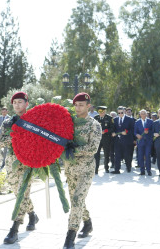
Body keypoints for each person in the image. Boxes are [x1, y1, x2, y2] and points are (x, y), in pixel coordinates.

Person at [0, 92, 39, 244]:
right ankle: (32, 214)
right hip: (12, 161)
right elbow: (0, 141)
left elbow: (40, 140)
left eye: (20, 102)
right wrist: (16, 135)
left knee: (22, 192)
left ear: (27, 103)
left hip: (28, 162)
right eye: (14, 102)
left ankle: (14, 229)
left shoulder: (34, 121)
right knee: (17, 191)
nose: (17, 105)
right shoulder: (8, 121)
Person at [63, 92, 102, 249]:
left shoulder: (94, 125)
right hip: (70, 168)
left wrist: (74, 149)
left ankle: (70, 237)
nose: (78, 108)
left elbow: (93, 148)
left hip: (86, 169)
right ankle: (87, 222)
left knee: (78, 199)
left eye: (81, 105)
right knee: (76, 201)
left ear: (88, 106)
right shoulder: (69, 122)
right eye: (76, 105)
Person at [111, 106, 135, 174]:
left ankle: (128, 167)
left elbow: (132, 129)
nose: (120, 114)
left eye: (122, 112)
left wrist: (127, 132)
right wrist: (113, 133)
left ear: (124, 112)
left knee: (127, 155)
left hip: (127, 140)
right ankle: (117, 169)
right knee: (117, 155)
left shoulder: (129, 119)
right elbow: (113, 128)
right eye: (119, 113)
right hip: (117, 140)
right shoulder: (115, 119)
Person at [94, 106, 113, 174]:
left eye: (102, 112)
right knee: (96, 154)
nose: (101, 113)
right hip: (98, 139)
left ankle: (106, 167)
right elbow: (93, 127)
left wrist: (106, 130)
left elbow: (112, 128)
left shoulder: (109, 118)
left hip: (106, 138)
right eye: (100, 112)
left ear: (105, 112)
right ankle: (96, 169)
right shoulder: (96, 118)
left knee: (106, 154)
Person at [134, 109, 153, 176]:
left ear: (146, 114)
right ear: (140, 115)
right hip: (140, 142)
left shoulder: (150, 121)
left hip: (148, 141)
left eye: (144, 113)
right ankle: (142, 171)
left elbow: (153, 131)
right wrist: (137, 135)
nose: (143, 115)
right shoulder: (137, 122)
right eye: (142, 114)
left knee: (147, 155)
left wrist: (149, 132)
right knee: (140, 156)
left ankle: (148, 170)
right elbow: (135, 131)